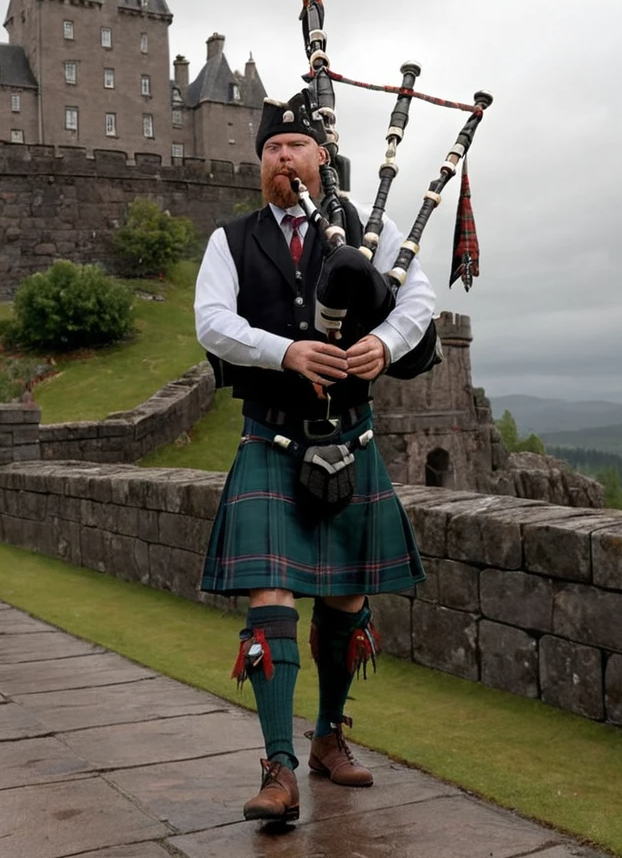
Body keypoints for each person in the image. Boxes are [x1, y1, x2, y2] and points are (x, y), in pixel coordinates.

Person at [194, 91, 435, 824]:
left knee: (346, 599)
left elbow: (418, 297)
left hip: (350, 437)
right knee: (270, 597)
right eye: (271, 149)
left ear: (320, 156)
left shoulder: (368, 228)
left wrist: (382, 345)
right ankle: (278, 767)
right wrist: (286, 350)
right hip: (269, 435)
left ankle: (330, 736)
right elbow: (212, 322)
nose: (282, 158)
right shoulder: (230, 240)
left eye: (294, 146)